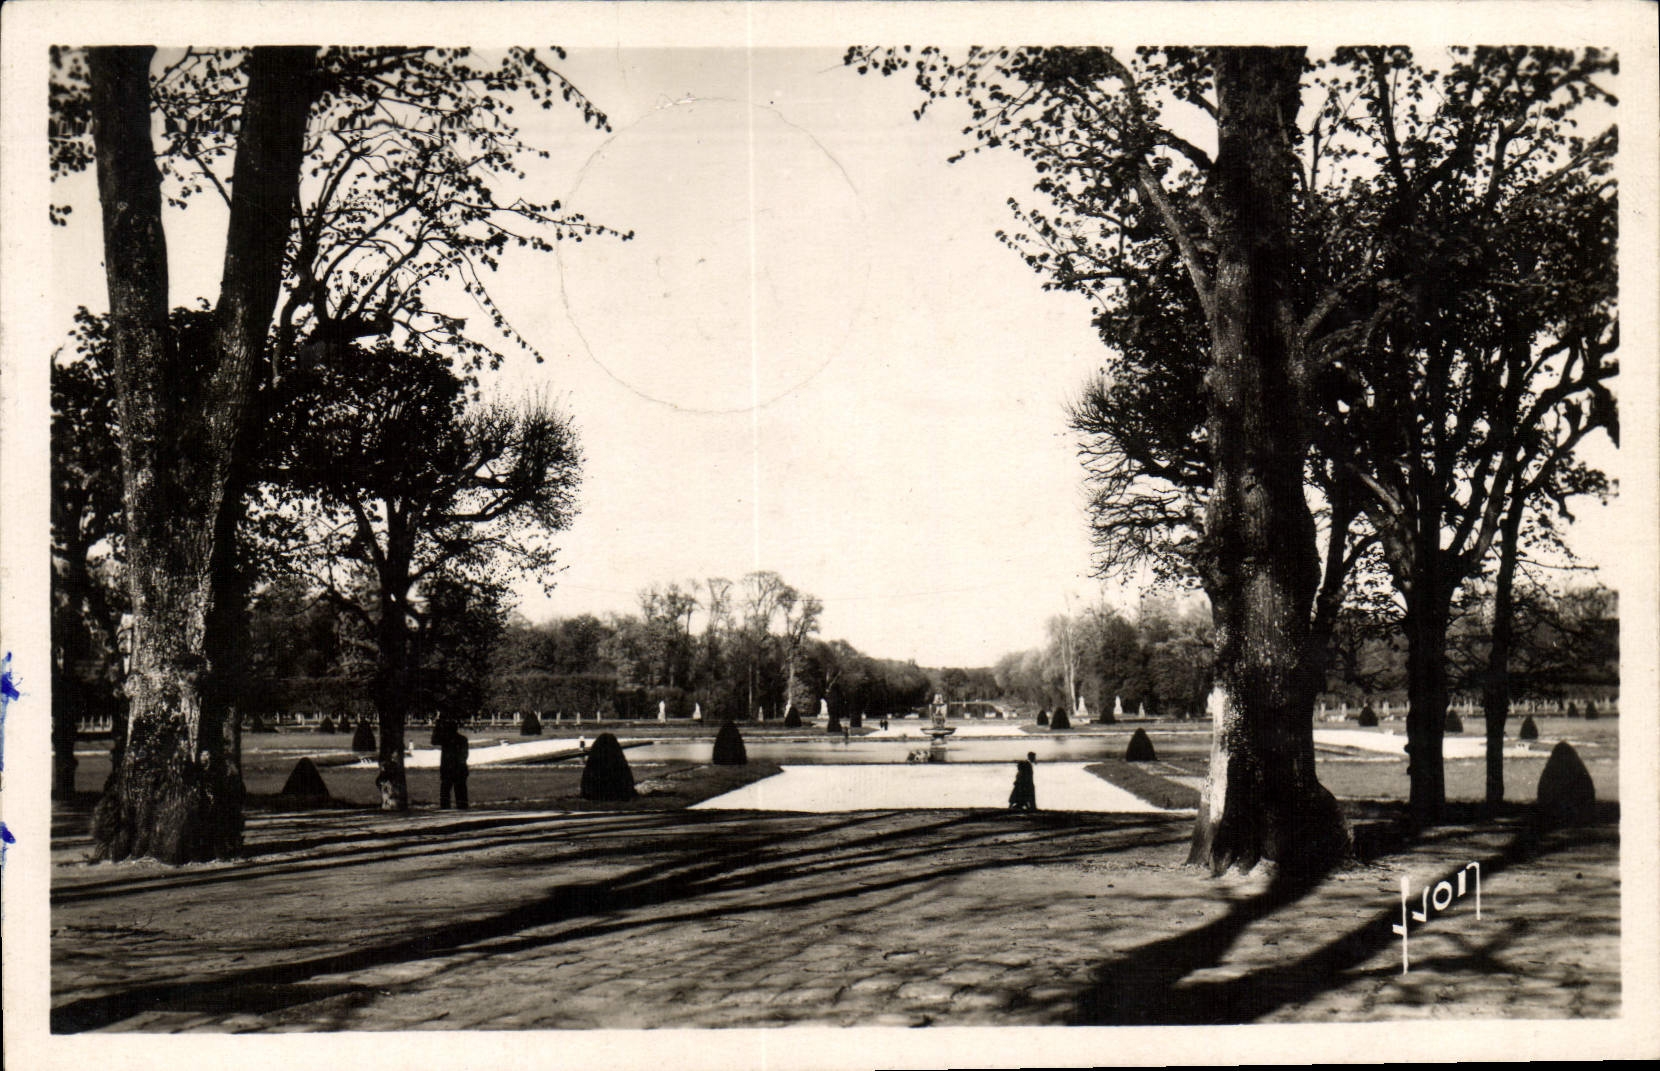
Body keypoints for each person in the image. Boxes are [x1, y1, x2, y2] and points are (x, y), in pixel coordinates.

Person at [432, 716, 470, 809]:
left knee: (445, 793)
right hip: (460, 768)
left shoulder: (445, 739)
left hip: (447, 768)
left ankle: (445, 809)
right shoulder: (463, 739)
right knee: (461, 793)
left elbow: (434, 740)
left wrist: (437, 726)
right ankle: (462, 809)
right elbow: (465, 755)